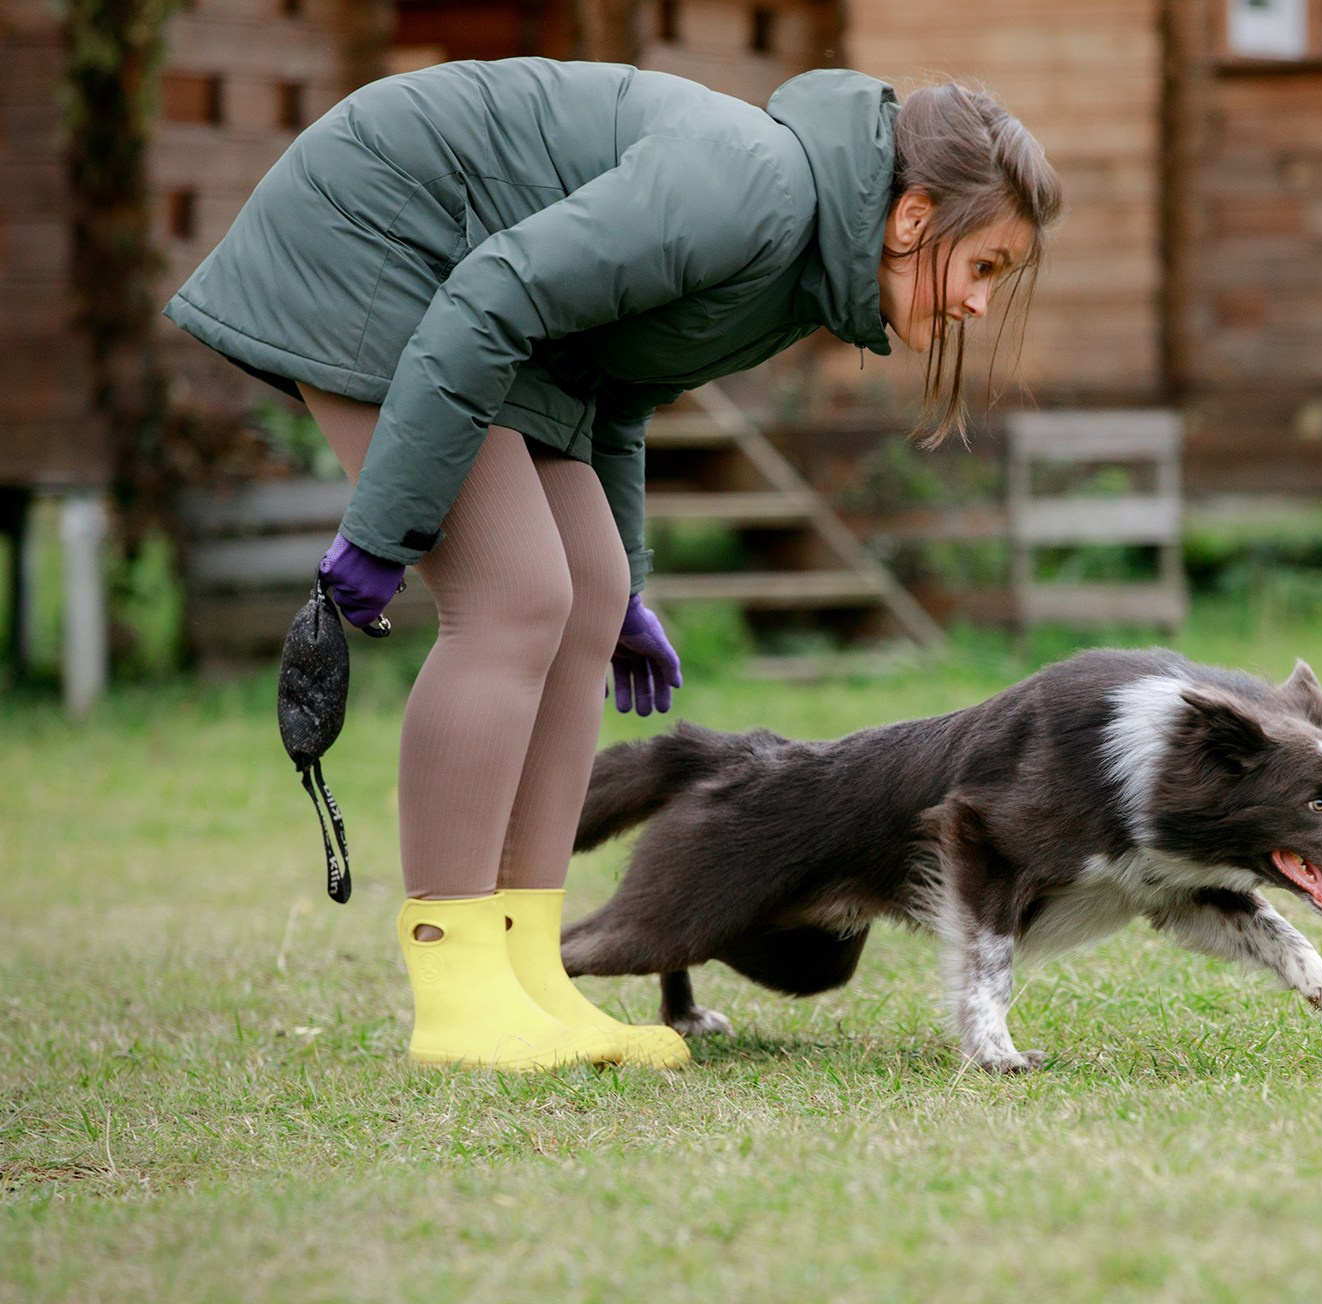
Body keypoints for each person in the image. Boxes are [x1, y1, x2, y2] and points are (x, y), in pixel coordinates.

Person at [164, 58, 1062, 1072]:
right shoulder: (753, 191)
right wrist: (385, 527)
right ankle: (457, 988)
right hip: (381, 235)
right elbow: (494, 293)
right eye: (982, 267)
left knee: (582, 595)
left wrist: (625, 583)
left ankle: (525, 969)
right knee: (512, 598)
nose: (979, 308)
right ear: (911, 219)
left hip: (487, 309)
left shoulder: (796, 265)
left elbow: (623, 381)